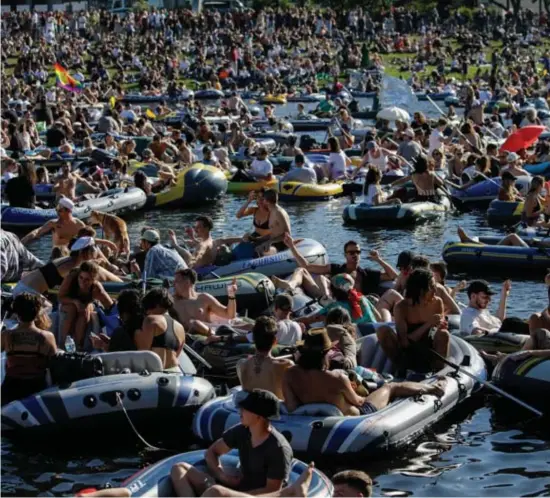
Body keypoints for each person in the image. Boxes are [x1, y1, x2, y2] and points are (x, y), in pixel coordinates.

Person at [283, 328, 446, 416]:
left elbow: (291, 407)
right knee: (391, 387)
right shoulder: (337, 377)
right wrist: (360, 391)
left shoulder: (290, 374)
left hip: (309, 417)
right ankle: (432, 388)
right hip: (355, 415)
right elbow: (360, 403)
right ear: (326, 353)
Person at [170, 389, 293, 496]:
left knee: (215, 492)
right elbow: (212, 452)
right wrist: (223, 476)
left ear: (258, 416)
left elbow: (272, 491)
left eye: (245, 409)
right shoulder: (242, 431)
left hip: (252, 496)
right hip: (237, 488)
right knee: (179, 469)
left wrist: (231, 495)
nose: (240, 411)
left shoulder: (278, 449)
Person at [275, 236, 397, 302]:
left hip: (356, 304)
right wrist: (291, 246)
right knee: (303, 271)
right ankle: (290, 285)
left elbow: (393, 276)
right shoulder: (336, 268)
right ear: (345, 255)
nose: (355, 254)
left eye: (358, 252)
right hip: (332, 300)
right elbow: (306, 266)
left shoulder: (366, 273)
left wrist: (378, 260)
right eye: (351, 252)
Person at [377, 269, 450, 372]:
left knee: (444, 334)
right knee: (382, 331)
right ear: (420, 290)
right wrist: (428, 323)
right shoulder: (401, 307)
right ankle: (400, 370)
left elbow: (439, 333)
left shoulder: (437, 302)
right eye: (431, 287)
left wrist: (441, 326)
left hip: (429, 349)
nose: (435, 290)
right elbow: (404, 343)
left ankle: (438, 373)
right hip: (407, 351)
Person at [11, 236, 121, 298]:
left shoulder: (69, 260)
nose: (96, 252)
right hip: (27, 292)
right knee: (48, 311)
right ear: (85, 253)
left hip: (23, 286)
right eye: (94, 251)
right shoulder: (72, 266)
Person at [1, 293, 57, 405]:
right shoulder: (47, 337)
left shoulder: (6, 336)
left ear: (16, 313)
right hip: (37, 388)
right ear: (37, 313)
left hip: (11, 388)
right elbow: (54, 362)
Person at [58, 261, 114, 348]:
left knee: (84, 311)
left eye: (87, 280)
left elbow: (110, 305)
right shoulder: (71, 278)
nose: (82, 282)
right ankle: (63, 343)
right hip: (68, 303)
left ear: (93, 280)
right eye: (81, 278)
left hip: (87, 304)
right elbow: (60, 297)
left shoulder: (96, 288)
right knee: (72, 309)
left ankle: (78, 345)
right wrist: (75, 301)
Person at [237, 316, 294, 400]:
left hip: (251, 411)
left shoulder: (241, 365)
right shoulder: (286, 365)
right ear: (275, 341)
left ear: (253, 339)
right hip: (274, 411)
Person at [172, 268, 237, 337]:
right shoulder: (172, 301)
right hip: (189, 339)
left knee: (195, 323)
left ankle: (217, 337)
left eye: (176, 281)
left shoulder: (203, 298)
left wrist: (231, 295)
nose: (173, 284)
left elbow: (229, 315)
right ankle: (219, 337)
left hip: (208, 334)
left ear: (187, 282)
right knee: (194, 324)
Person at [137, 288, 186, 371]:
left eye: (147, 307)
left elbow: (143, 353)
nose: (147, 312)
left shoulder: (151, 320)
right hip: (175, 371)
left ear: (156, 305)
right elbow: (177, 354)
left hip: (156, 374)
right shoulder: (180, 327)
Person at [20, 197, 86, 249]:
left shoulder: (79, 225)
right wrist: (20, 243)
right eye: (57, 209)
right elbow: (37, 232)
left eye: (60, 210)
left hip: (71, 255)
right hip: (57, 255)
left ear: (68, 211)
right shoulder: (53, 224)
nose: (57, 212)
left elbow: (89, 239)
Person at [247, 189, 291, 255]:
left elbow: (287, 234)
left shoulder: (278, 213)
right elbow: (274, 233)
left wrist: (270, 242)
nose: (261, 201)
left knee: (258, 250)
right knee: (250, 245)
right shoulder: (272, 211)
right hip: (274, 242)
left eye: (263, 199)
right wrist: (258, 239)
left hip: (283, 244)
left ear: (267, 201)